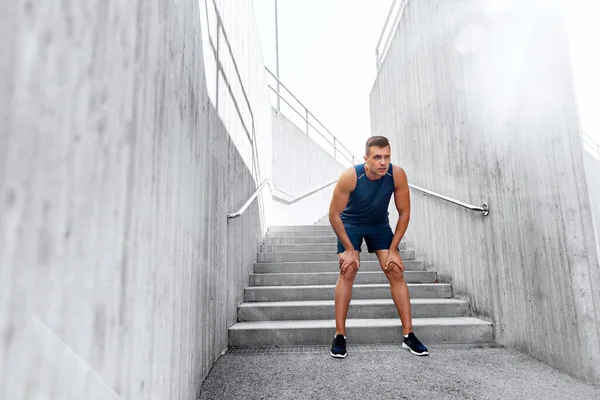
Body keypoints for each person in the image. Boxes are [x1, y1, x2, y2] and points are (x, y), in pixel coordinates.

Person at [328, 135, 428, 358]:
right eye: (377, 157)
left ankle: (408, 335)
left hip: (379, 224)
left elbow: (404, 213)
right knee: (348, 269)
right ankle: (340, 335)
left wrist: (393, 249)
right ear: (366, 158)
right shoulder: (350, 177)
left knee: (395, 269)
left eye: (387, 157)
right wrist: (349, 249)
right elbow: (333, 215)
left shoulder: (397, 174)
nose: (383, 162)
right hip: (350, 223)